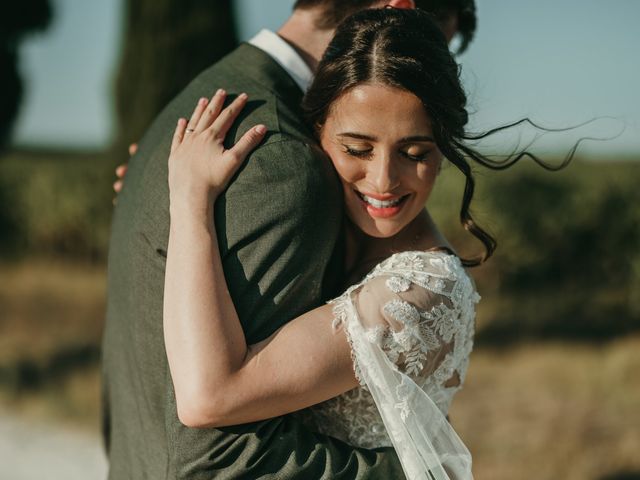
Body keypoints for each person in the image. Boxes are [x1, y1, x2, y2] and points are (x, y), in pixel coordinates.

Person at [102, 2, 478, 480]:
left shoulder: (419, 287)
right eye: (357, 148)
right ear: (318, 128)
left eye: (416, 151)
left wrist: (189, 203)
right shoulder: (287, 167)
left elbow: (210, 396)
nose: (383, 179)